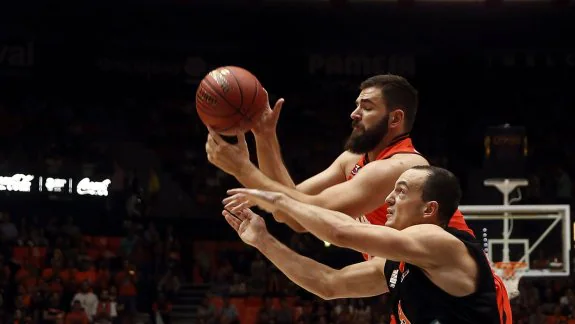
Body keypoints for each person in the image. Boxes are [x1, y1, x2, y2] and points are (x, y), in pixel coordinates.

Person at [221, 166, 508, 324]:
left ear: (429, 210)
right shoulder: (398, 263)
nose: (389, 199)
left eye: (401, 191)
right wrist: (263, 240)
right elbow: (328, 284)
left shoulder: (441, 243)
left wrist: (280, 199)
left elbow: (341, 232)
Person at [205, 74, 472, 238]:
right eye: (356, 106)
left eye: (366, 107)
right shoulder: (350, 160)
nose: (354, 114)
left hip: (454, 288)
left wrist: (243, 168)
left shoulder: (403, 167)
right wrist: (264, 137)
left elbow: (306, 209)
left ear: (396, 118)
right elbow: (291, 214)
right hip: (411, 280)